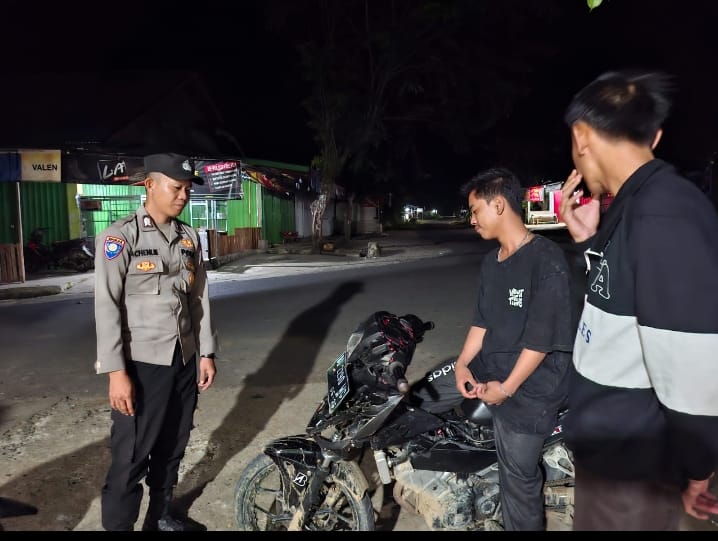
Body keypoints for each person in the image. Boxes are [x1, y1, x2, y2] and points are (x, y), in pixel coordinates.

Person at [559, 69, 718, 530]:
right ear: (656, 135)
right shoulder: (632, 205)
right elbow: (616, 304)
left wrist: (697, 467)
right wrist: (587, 243)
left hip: (633, 470)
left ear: (581, 135)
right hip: (611, 456)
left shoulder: (664, 211)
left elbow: (690, 362)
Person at [413, 167, 575, 530]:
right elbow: (481, 322)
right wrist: (462, 364)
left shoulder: (546, 259)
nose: (472, 220)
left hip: (534, 385)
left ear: (498, 205)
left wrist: (506, 389)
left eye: (475, 210)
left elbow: (540, 342)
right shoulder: (492, 262)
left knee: (516, 478)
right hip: (492, 364)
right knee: (419, 396)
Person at [94, 152, 218, 531]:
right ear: (150, 185)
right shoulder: (120, 237)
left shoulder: (188, 238)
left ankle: (160, 517)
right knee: (132, 456)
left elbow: (198, 299)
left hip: (184, 360)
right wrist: (116, 372)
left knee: (173, 446)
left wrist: (206, 352)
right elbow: (106, 306)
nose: (184, 196)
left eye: (188, 189)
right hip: (141, 365)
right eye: (176, 187)